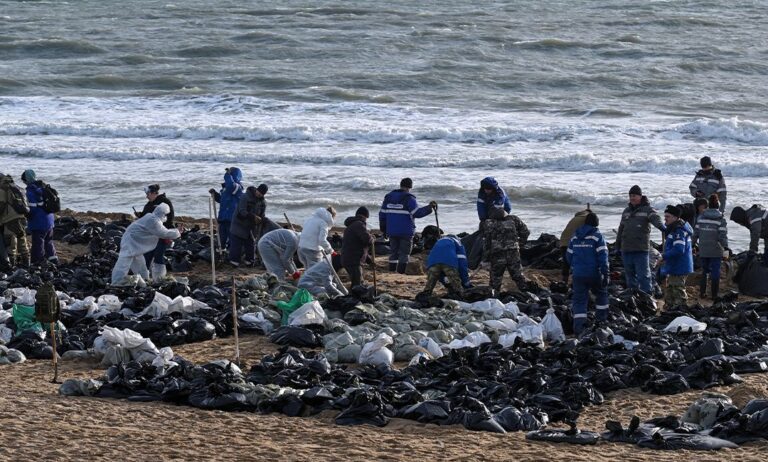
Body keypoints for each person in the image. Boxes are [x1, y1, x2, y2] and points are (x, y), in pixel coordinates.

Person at [111, 204, 180, 284]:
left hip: (134, 242)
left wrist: (174, 233)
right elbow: (163, 233)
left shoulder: (151, 217)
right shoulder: (153, 220)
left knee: (140, 264)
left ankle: (144, 281)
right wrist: (178, 232)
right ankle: (116, 282)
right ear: (162, 214)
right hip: (130, 242)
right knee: (123, 264)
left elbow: (159, 232)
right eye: (165, 215)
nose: (166, 217)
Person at [379, 178, 436, 274]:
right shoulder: (409, 198)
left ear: (400, 185)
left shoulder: (388, 197)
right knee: (404, 254)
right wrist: (429, 208)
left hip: (392, 231)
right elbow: (417, 213)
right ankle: (401, 273)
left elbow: (382, 215)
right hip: (406, 232)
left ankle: (392, 272)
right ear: (410, 187)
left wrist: (384, 229)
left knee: (393, 252)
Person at [615, 185, 665, 294]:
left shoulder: (647, 210)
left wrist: (663, 228)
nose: (632, 198)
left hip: (641, 250)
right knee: (630, 276)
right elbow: (621, 228)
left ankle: (647, 297)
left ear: (640, 196)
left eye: (634, 196)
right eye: (630, 196)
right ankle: (634, 297)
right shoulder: (626, 211)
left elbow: (656, 219)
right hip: (626, 249)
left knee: (644, 276)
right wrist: (617, 245)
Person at [566, 212, 610, 335]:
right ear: (596, 224)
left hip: (578, 274)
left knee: (579, 301)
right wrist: (605, 274)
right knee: (601, 295)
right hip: (594, 273)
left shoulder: (575, 236)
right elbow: (603, 257)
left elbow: (568, 255)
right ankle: (601, 322)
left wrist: (575, 267)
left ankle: (579, 329)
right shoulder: (597, 236)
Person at [480, 208, 530, 295]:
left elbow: (486, 243)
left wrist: (485, 259)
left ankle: (494, 297)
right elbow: (526, 232)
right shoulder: (514, 219)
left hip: (497, 255)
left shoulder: (489, 223)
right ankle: (527, 294)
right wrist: (520, 244)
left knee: (495, 279)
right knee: (518, 276)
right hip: (513, 253)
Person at [692, 194, 728, 299]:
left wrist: (692, 245)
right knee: (715, 271)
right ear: (718, 206)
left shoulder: (701, 217)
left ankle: (702, 293)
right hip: (716, 250)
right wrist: (726, 247)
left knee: (705, 270)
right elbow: (722, 236)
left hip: (703, 248)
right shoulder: (721, 219)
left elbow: (695, 234)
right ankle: (714, 295)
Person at [660, 205, 694, 308]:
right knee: (670, 289)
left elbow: (679, 249)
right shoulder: (673, 229)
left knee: (678, 289)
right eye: (665, 216)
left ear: (675, 218)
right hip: (674, 266)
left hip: (680, 266)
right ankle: (669, 309)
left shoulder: (679, 231)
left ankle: (681, 310)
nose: (665, 218)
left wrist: (664, 256)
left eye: (668, 216)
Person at [21, 170, 57, 265]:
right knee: (48, 241)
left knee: (38, 244)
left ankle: (37, 262)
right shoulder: (43, 187)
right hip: (49, 220)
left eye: (23, 180)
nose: (23, 182)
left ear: (26, 180)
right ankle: (54, 260)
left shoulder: (30, 191)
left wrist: (25, 216)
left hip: (39, 223)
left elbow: (31, 210)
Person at [135, 184, 175, 271]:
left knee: (158, 256)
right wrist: (140, 216)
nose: (146, 197)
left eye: (148, 194)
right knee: (147, 256)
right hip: (150, 235)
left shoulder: (164, 202)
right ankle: (146, 276)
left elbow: (170, 218)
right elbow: (145, 217)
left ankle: (159, 277)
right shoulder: (149, 204)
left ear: (153, 193)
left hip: (161, 234)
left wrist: (165, 232)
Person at [229, 185, 267, 267]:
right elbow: (242, 211)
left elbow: (262, 214)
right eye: (259, 192)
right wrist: (253, 216)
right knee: (236, 244)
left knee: (250, 244)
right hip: (238, 223)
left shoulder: (263, 203)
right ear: (256, 189)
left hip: (251, 226)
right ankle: (234, 262)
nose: (259, 194)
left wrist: (261, 219)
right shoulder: (245, 197)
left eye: (262, 194)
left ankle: (249, 261)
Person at [0, 174, 30, 269]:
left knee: (11, 244)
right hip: (22, 218)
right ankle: (27, 264)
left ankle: (11, 267)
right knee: (22, 241)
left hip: (10, 220)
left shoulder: (2, 189)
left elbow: (1, 206)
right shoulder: (16, 187)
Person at [209, 167, 244, 250]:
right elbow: (222, 200)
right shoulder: (225, 189)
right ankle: (221, 250)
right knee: (222, 237)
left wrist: (227, 175)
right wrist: (215, 194)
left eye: (230, 174)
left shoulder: (237, 187)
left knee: (232, 238)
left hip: (231, 218)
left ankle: (231, 252)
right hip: (223, 217)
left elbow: (231, 186)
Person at [341, 206, 374, 288]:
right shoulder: (359, 224)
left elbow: (359, 247)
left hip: (349, 258)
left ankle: (355, 297)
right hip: (353, 260)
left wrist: (369, 261)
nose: (366, 220)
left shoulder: (352, 225)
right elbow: (367, 240)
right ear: (364, 216)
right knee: (357, 284)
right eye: (366, 218)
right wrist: (372, 239)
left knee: (359, 282)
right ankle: (353, 299)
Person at [559, 206, 591, 282]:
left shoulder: (576, 218)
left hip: (563, 241)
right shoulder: (587, 218)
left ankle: (564, 281)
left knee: (566, 263)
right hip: (573, 243)